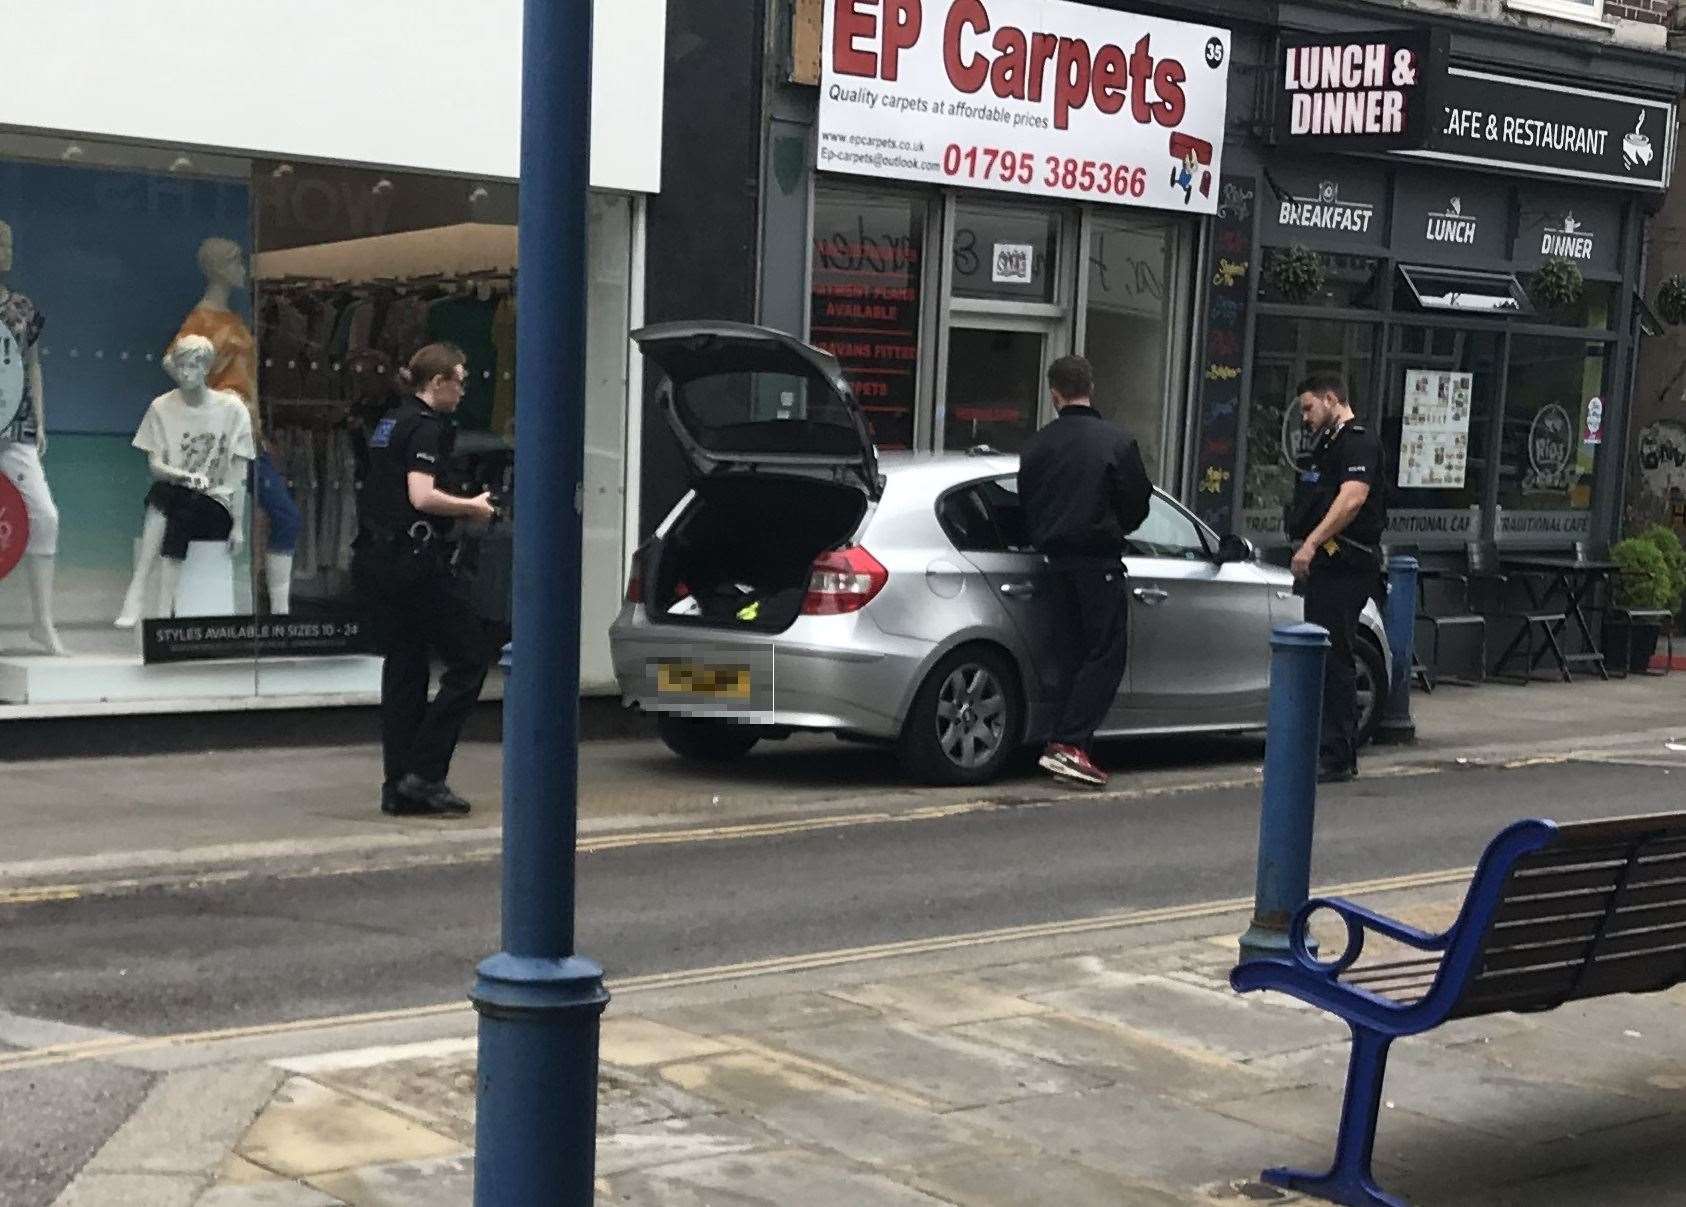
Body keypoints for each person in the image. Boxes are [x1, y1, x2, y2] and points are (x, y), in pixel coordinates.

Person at [354, 343, 499, 816]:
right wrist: (471, 508)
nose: (464, 389)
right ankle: (426, 773)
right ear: (436, 383)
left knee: (405, 668)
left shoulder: (391, 420)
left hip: (381, 558)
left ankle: (398, 786)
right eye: (460, 379)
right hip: (417, 561)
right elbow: (421, 495)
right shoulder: (428, 427)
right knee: (470, 659)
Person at [1019, 354, 1153, 789]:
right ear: (1090, 388)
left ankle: (1065, 742)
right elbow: (1137, 502)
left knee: (1070, 655)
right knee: (1105, 655)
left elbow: (1026, 502)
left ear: (1053, 394)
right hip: (1098, 562)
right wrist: (1116, 524)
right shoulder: (1115, 441)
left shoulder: (1037, 445)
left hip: (1053, 564)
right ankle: (1070, 743)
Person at [1284, 373, 1387, 785]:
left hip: (1346, 561)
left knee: (1336, 655)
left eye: (1309, 407)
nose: (1305, 418)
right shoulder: (1327, 444)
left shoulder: (1359, 441)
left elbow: (1352, 499)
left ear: (1332, 399)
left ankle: (1338, 753)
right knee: (1325, 656)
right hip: (1328, 565)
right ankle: (1325, 746)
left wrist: (1310, 544)